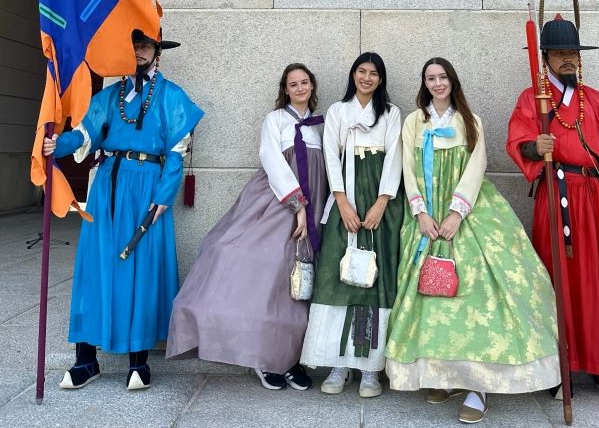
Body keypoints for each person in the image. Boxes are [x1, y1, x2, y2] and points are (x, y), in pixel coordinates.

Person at [385, 57, 560, 423]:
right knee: (430, 300)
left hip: (467, 212)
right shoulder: (414, 121)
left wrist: (455, 213)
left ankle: (478, 386)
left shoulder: (471, 121)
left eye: (443, 77)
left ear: (453, 80)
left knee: (478, 294)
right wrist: (420, 212)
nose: (437, 84)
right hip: (427, 215)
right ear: (424, 83)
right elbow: (409, 170)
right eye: (430, 78)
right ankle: (442, 375)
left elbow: (476, 166)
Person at [42, 29, 203, 391]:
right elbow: (83, 135)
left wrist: (164, 196)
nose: (139, 52)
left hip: (148, 188)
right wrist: (56, 143)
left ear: (157, 51)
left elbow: (176, 152)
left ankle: (138, 362)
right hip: (108, 188)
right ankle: (86, 359)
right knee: (95, 266)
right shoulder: (108, 96)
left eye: (145, 45)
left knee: (141, 270)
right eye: (132, 46)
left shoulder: (172, 96)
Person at [507, 14, 599, 402]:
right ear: (546, 56)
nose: (569, 60)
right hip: (558, 194)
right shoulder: (532, 99)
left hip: (596, 200)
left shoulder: (595, 101)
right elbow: (517, 142)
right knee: (558, 281)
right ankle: (560, 366)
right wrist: (537, 147)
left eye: (574, 53)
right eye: (561, 53)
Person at [166, 64, 327, 391]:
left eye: (304, 82)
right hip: (278, 201)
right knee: (262, 274)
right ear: (285, 89)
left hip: (315, 204)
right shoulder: (276, 120)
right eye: (292, 84)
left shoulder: (322, 125)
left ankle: (290, 358)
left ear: (312, 86)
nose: (299, 88)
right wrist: (297, 206)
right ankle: (264, 358)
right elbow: (271, 158)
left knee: (296, 283)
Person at [300, 52, 403, 398]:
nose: (367, 78)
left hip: (378, 199)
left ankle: (370, 368)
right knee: (337, 275)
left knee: (374, 280)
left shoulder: (390, 113)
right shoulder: (337, 111)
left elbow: (394, 158)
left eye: (374, 73)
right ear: (353, 74)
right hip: (345, 194)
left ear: (381, 78)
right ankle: (338, 364)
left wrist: (381, 202)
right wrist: (341, 200)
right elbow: (331, 154)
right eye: (362, 71)